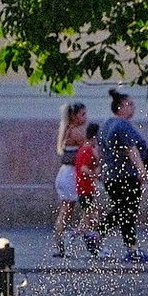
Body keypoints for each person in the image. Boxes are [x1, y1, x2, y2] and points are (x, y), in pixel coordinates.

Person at [97, 89, 148, 264]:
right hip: (126, 176)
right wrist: (142, 171)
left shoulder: (106, 125)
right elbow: (131, 150)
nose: (133, 107)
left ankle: (121, 244)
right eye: (130, 104)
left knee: (122, 210)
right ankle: (104, 236)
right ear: (120, 107)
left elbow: (101, 152)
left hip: (112, 176)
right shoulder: (122, 125)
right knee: (127, 211)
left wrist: (102, 170)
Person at [50, 100, 88, 257]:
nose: (86, 117)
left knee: (67, 209)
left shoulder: (68, 130)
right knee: (68, 209)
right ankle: (67, 238)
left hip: (66, 173)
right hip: (70, 174)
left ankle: (61, 241)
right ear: (74, 116)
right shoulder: (75, 133)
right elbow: (88, 147)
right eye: (83, 114)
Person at [70, 123, 103, 258]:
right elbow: (84, 168)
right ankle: (91, 243)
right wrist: (95, 175)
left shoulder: (86, 149)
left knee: (88, 217)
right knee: (92, 217)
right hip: (85, 189)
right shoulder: (86, 150)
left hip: (86, 189)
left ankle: (76, 236)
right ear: (94, 136)